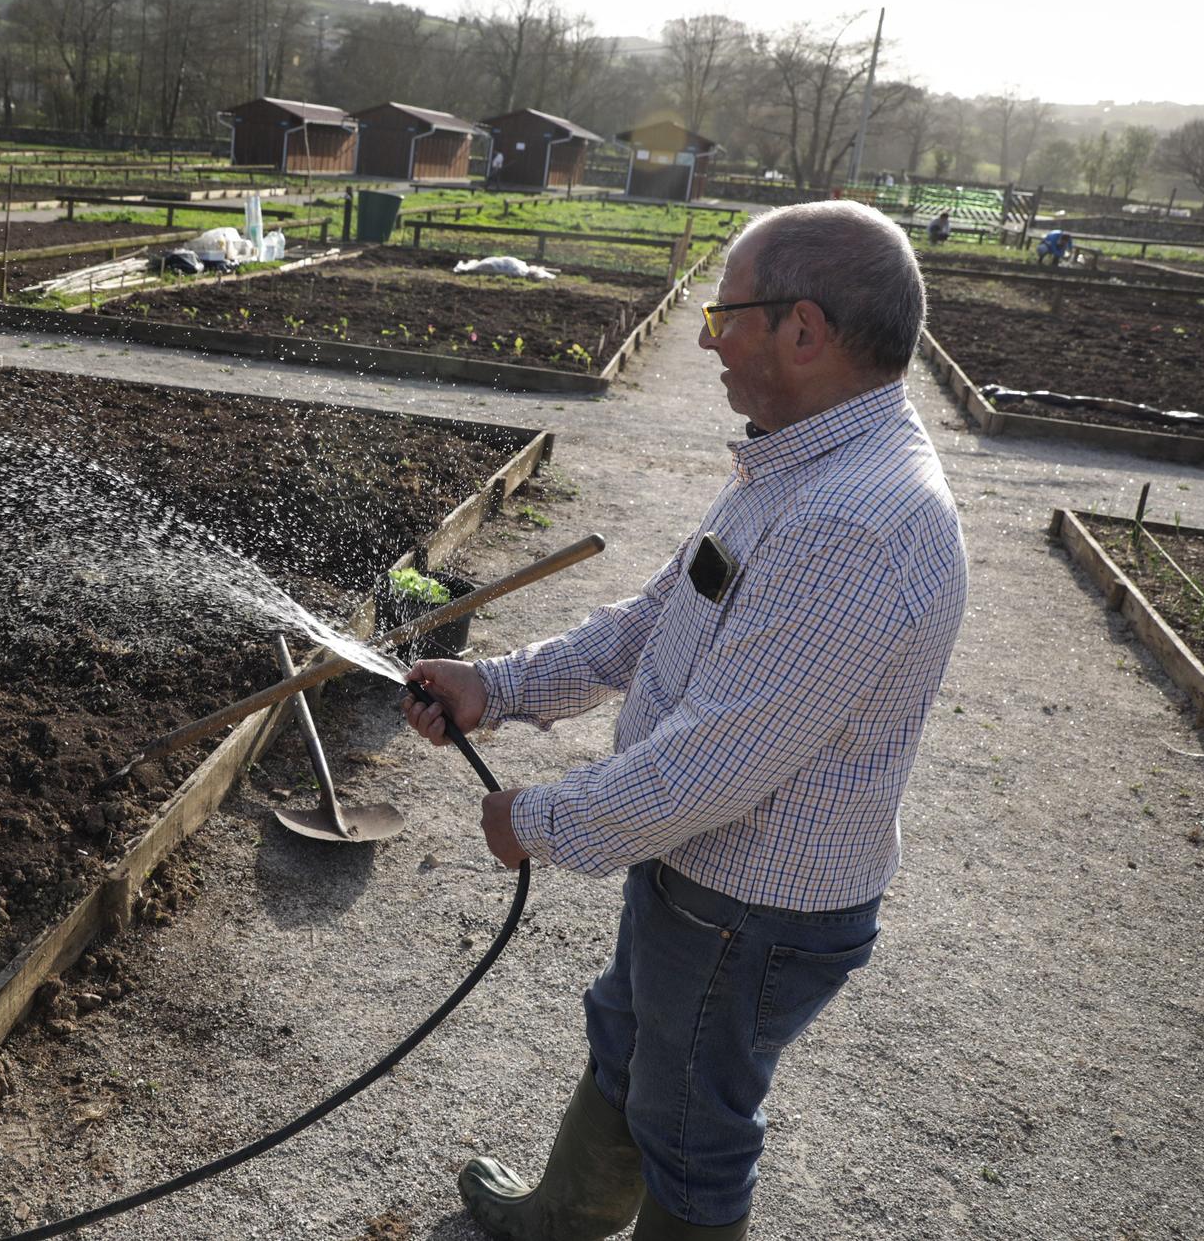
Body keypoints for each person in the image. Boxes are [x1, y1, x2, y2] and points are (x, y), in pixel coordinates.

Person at [402, 200, 968, 1241]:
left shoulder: (851, 522)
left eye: (724, 314)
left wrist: (534, 821)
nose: (705, 338)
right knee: (630, 1039)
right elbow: (661, 614)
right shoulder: (794, 463)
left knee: (688, 1122)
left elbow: (708, 771)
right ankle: (563, 1214)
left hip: (746, 910)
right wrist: (501, 686)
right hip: (700, 882)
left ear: (801, 328)